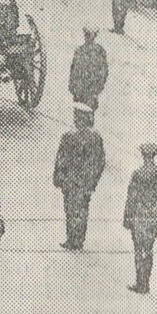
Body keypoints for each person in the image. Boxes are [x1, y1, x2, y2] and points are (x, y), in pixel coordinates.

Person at [53, 105, 105, 250]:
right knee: (82, 209)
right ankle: (79, 239)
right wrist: (94, 181)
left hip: (70, 180)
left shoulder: (69, 136)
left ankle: (71, 239)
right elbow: (100, 162)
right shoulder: (96, 137)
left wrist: (58, 178)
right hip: (86, 182)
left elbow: (60, 159)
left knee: (70, 209)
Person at [123, 142, 157, 294]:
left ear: (143, 156)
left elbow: (131, 197)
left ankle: (140, 282)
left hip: (139, 214)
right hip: (154, 217)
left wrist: (127, 217)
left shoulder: (138, 173)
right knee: (148, 249)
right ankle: (146, 283)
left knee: (139, 249)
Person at [68, 28, 109, 113]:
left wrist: (97, 89)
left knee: (87, 116)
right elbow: (73, 70)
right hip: (79, 91)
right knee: (78, 117)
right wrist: (72, 87)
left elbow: (103, 71)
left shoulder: (99, 51)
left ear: (94, 36)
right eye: (86, 35)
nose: (87, 37)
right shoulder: (79, 51)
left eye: (89, 35)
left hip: (91, 91)